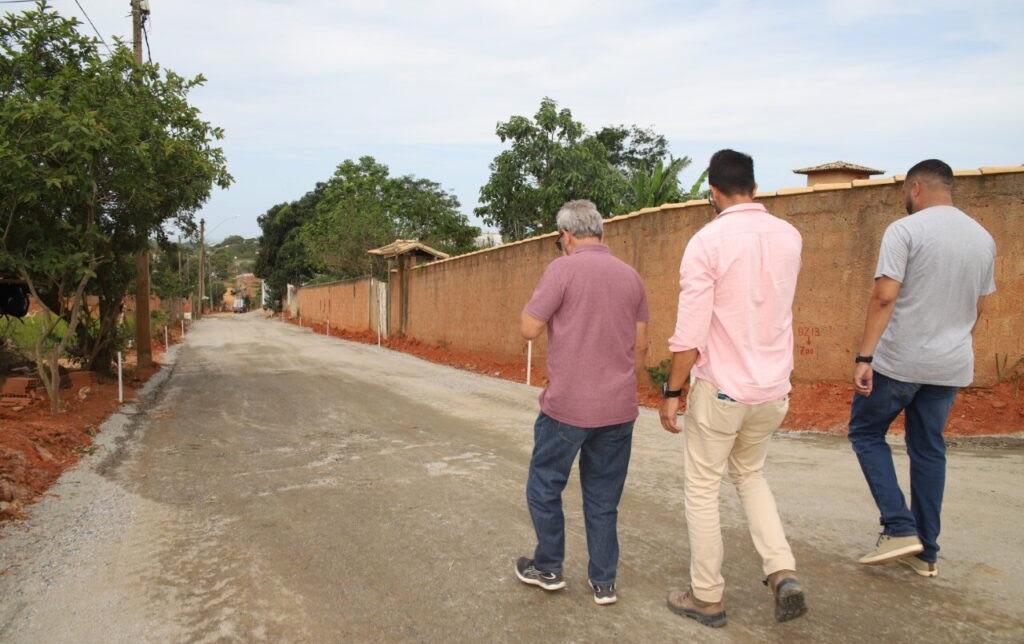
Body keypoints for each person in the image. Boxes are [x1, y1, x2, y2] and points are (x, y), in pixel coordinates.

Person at [659, 149, 807, 628]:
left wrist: (672, 392)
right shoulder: (789, 237)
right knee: (751, 475)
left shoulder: (707, 242)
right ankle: (782, 571)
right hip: (772, 391)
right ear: (755, 188)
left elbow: (690, 333)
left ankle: (707, 597)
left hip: (722, 390)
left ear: (713, 192)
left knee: (703, 488)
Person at [848, 159, 996, 577]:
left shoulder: (905, 230)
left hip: (900, 361)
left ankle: (899, 527)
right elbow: (979, 307)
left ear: (915, 188)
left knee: (865, 432)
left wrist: (864, 357)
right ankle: (926, 554)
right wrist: (952, 343)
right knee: (928, 449)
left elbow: (884, 296)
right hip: (950, 364)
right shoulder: (982, 238)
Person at [515, 199, 651, 606]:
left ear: (566, 235)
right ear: (600, 232)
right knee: (603, 498)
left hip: (567, 409)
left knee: (544, 485)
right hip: (618, 410)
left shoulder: (562, 269)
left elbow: (529, 328)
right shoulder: (631, 276)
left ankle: (549, 567)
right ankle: (604, 582)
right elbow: (641, 344)